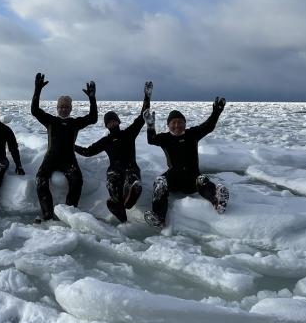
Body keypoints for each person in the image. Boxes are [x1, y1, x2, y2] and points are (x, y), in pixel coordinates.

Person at [144, 95, 229, 227]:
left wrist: (216, 112)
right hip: (173, 178)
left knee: (203, 181)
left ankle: (218, 201)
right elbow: (151, 139)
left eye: (180, 122)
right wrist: (150, 125)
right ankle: (159, 218)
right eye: (173, 123)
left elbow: (208, 126)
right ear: (168, 125)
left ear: (185, 123)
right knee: (159, 182)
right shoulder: (165, 138)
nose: (177, 125)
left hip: (192, 178)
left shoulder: (192, 134)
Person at [75, 81, 152, 222]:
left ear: (118, 121)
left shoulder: (128, 133)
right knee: (112, 181)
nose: (112, 123)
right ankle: (117, 204)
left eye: (113, 121)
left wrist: (147, 97)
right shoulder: (106, 141)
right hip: (115, 170)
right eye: (109, 122)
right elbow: (88, 151)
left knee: (132, 179)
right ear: (106, 125)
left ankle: (131, 195)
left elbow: (142, 117)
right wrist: (72, 146)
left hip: (130, 166)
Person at [31, 72, 97, 222]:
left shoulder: (74, 123)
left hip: (68, 160)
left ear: (71, 109)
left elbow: (93, 118)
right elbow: (35, 111)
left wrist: (92, 99)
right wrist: (37, 89)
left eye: (66, 107)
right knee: (40, 180)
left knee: (77, 180)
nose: (63, 109)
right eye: (61, 107)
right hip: (51, 158)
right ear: (57, 108)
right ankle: (47, 215)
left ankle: (68, 212)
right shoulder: (50, 121)